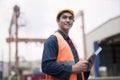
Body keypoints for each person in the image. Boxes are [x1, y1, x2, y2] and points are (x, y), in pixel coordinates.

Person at [42, 8, 96, 80]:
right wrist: (72, 68)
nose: (68, 20)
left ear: (73, 22)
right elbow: (46, 67)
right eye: (64, 17)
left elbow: (76, 72)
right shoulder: (52, 40)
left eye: (70, 18)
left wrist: (86, 69)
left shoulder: (72, 43)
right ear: (58, 21)